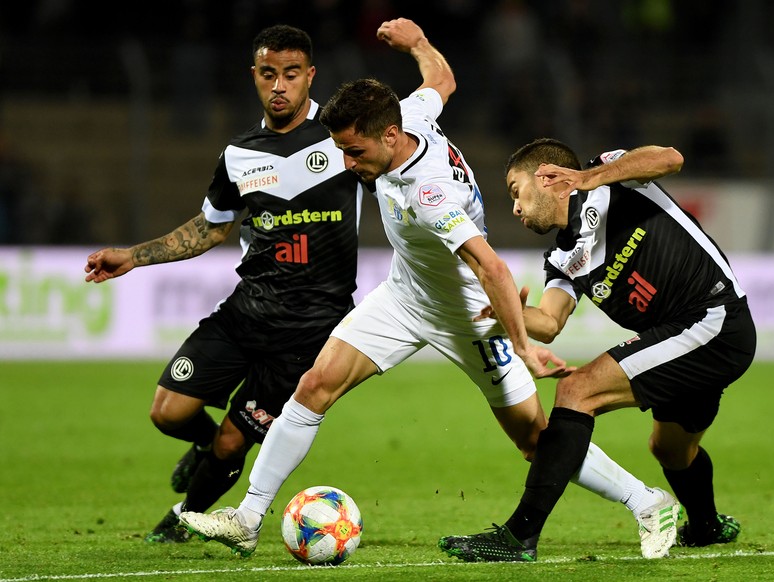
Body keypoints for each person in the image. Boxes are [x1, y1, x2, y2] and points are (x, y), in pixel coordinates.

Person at [179, 19, 681, 560]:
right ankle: (249, 517)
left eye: (354, 152)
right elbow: (442, 79)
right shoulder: (410, 115)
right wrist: (417, 43)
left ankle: (648, 501)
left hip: (470, 313)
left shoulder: (429, 192)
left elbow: (491, 268)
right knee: (314, 385)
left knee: (535, 439)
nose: (348, 165)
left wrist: (523, 344)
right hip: (405, 295)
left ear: (388, 137)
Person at [84, 25, 365, 543]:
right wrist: (134, 256)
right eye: (267, 74)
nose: (278, 86)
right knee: (168, 412)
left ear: (310, 77)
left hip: (308, 330)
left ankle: (183, 519)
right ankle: (203, 449)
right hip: (245, 312)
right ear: (254, 77)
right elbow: (211, 227)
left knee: (235, 443)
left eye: (290, 74)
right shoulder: (239, 153)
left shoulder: (343, 137)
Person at [438, 139, 757, 561]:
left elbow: (671, 158)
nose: (514, 208)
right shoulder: (561, 257)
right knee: (670, 450)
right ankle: (707, 525)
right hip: (683, 338)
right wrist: (508, 311)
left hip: (713, 318)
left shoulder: (610, 177)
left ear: (547, 176)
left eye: (516, 191)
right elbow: (549, 324)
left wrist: (589, 177)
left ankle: (518, 537)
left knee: (576, 391)